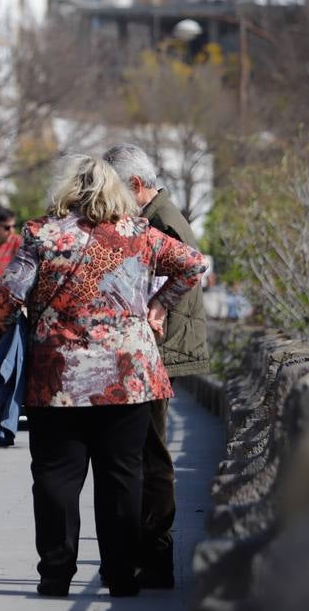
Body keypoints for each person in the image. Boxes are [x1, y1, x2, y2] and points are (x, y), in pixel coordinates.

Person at [0, 155, 206, 599]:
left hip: (57, 380)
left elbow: (9, 293)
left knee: (55, 476)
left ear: (68, 190)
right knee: (122, 476)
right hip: (128, 377)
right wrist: (160, 304)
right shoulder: (140, 234)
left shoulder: (41, 233)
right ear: (119, 191)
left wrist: (17, 322)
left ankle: (55, 574)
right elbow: (193, 263)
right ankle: (122, 574)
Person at [103, 143, 209, 589]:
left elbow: (188, 269)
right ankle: (150, 553)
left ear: (136, 186)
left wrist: (159, 306)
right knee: (147, 450)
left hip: (159, 348)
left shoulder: (162, 220)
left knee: (151, 452)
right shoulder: (158, 214)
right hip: (155, 345)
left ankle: (157, 555)